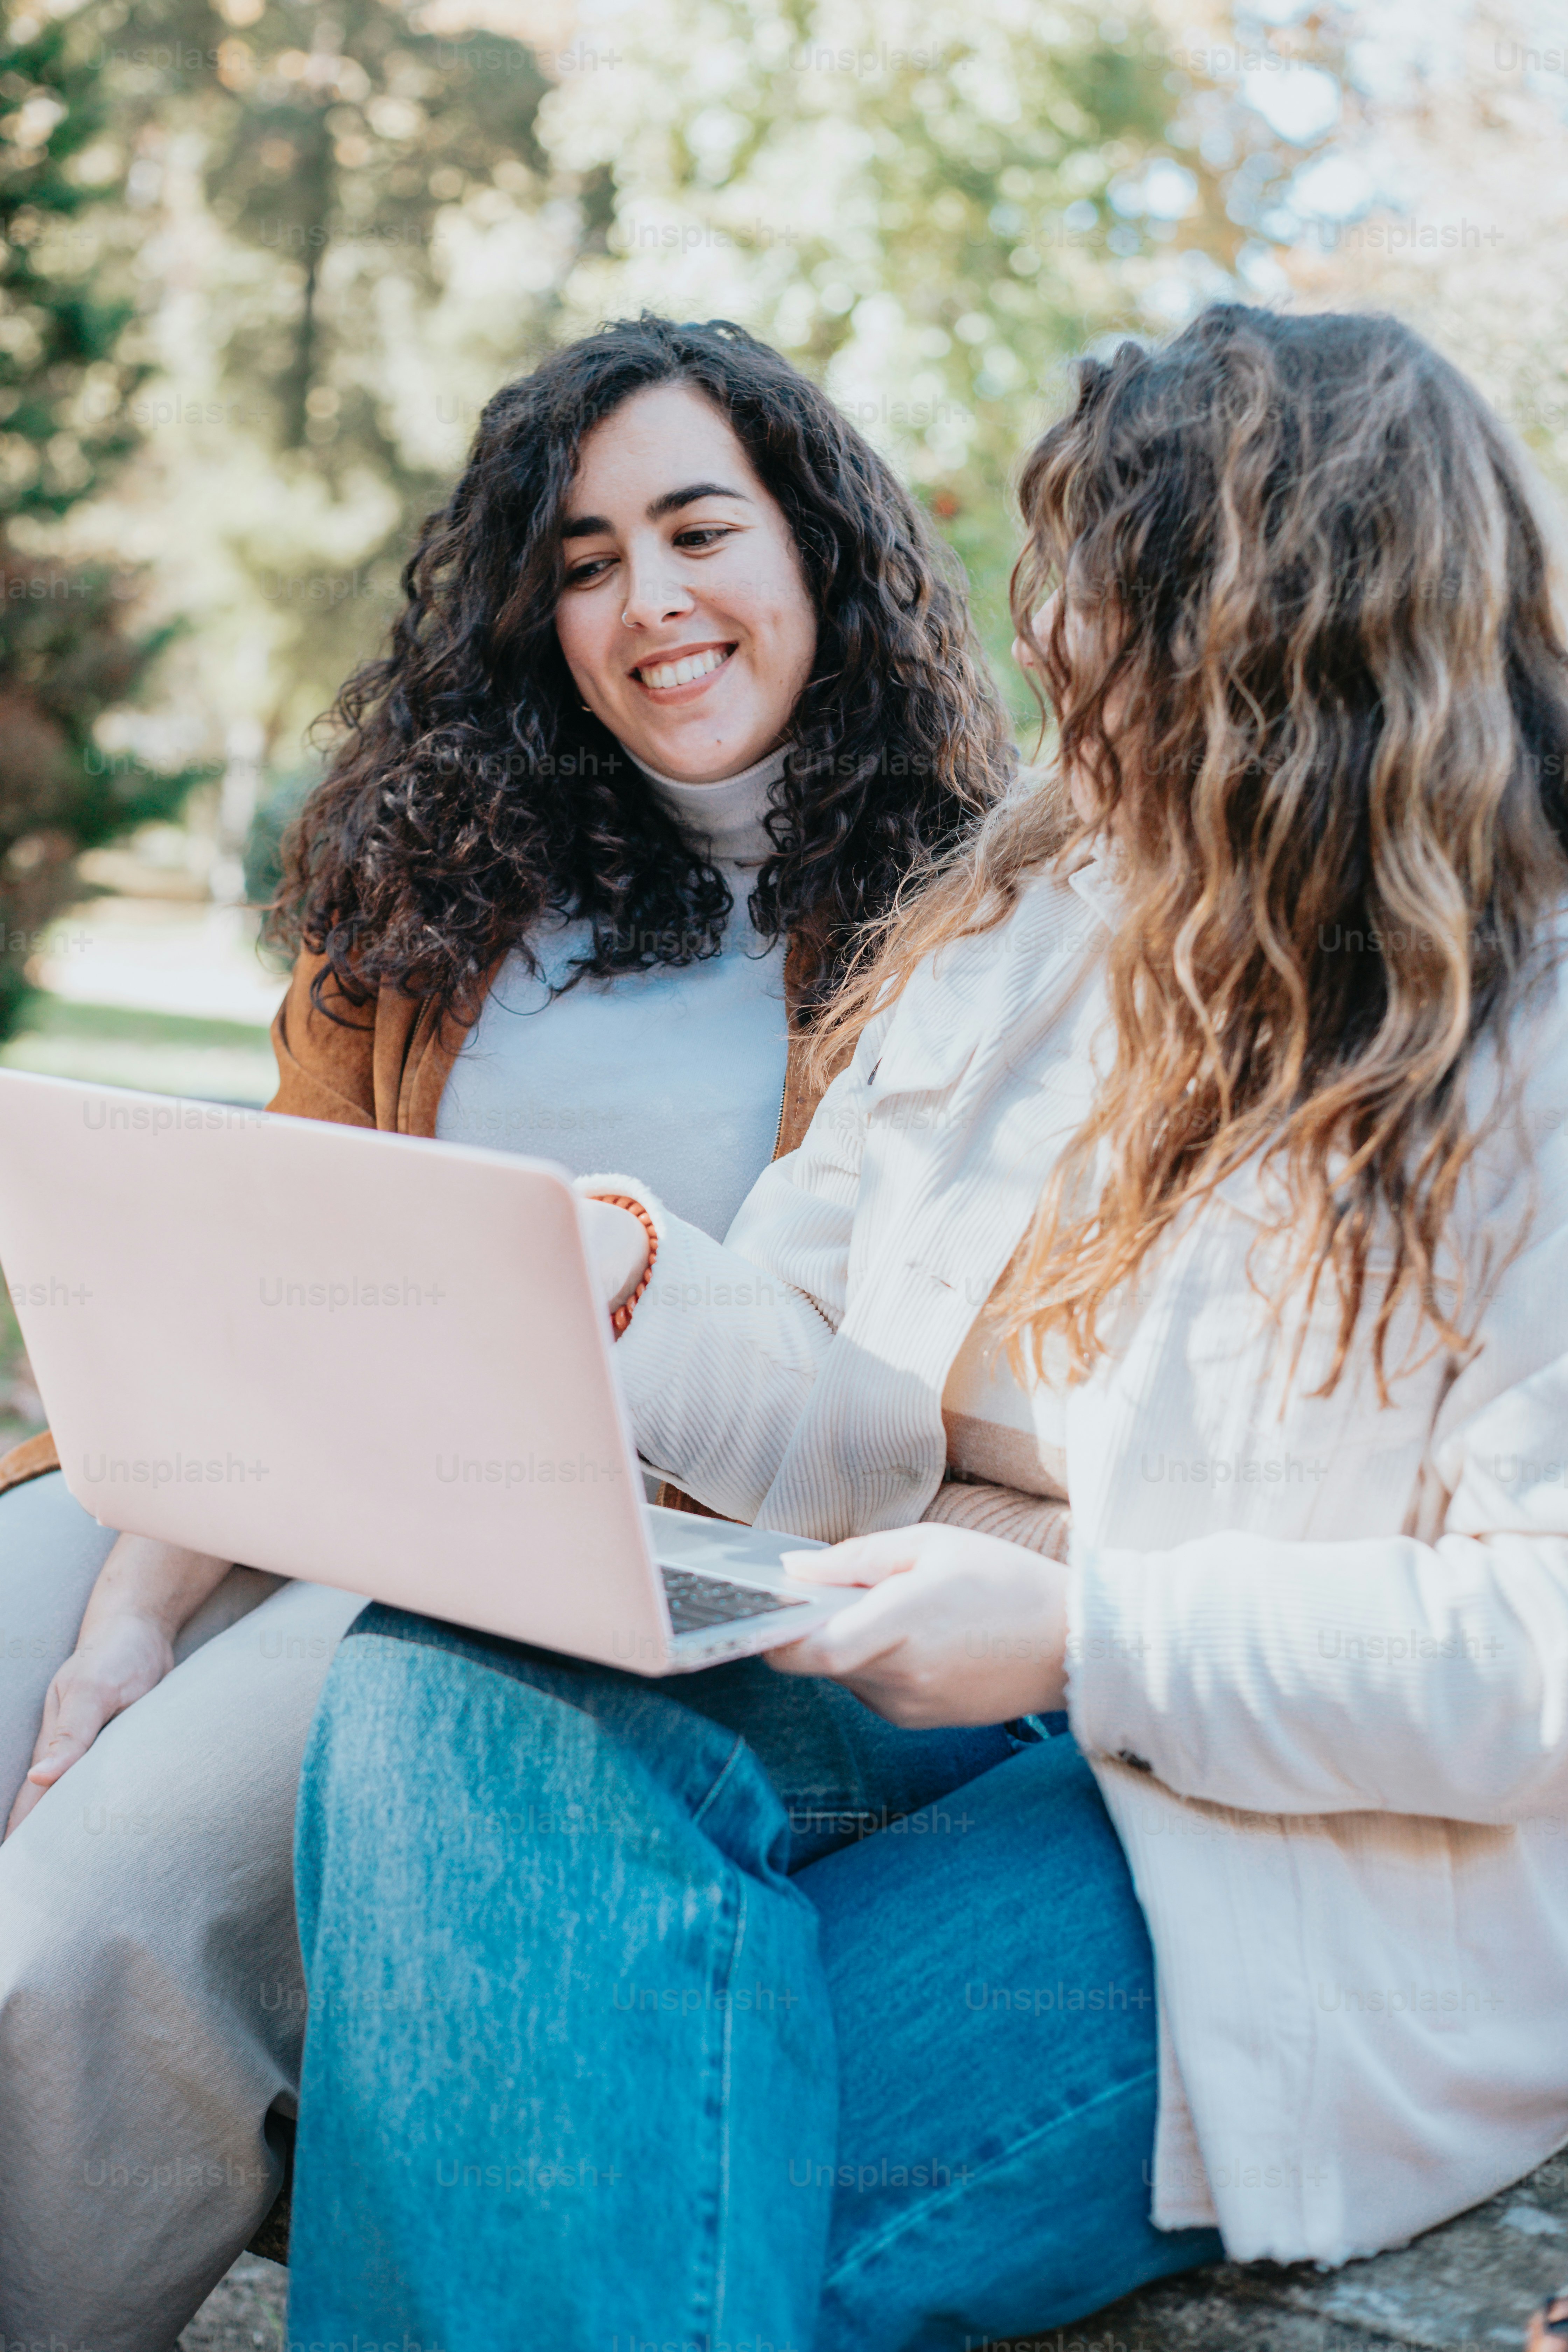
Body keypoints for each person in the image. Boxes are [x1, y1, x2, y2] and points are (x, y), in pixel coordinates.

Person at [285, 302, 1568, 2352]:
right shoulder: (1029, 911)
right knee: (448, 1684)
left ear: (1291, 624)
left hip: (1277, 1834)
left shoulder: (1529, 1032)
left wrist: (1083, 1640)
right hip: (903, 1655)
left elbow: (1542, 1652)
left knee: (584, 2175)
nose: (1045, 635)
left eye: (1104, 582)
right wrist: (626, 1276)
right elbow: (831, 1384)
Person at [0, 315, 1015, 2351]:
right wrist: (127, 1611)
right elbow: (266, 1283)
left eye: (699, 530)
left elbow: (887, 1395)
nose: (649, 603)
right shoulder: (441, 886)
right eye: (580, 558)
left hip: (543, 1557)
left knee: (76, 1924)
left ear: (820, 549)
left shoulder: (964, 926)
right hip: (254, 1475)